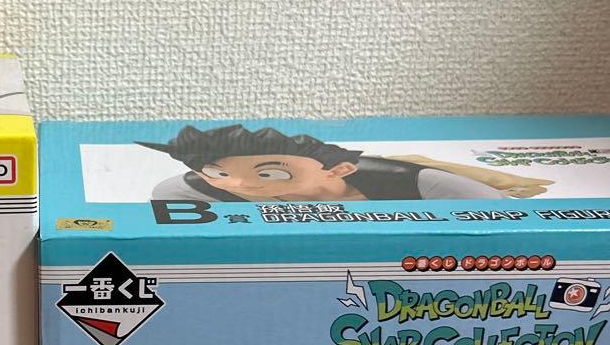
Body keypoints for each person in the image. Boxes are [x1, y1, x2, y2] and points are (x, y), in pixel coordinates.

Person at [139, 124, 525, 202]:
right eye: (219, 173)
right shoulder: (196, 188)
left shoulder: (416, 183)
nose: (239, 184)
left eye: (271, 173)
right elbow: (167, 196)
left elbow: (498, 212)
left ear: (339, 169)